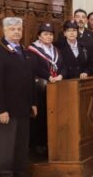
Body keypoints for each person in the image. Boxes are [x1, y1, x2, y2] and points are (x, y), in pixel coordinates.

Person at [0, 17, 37, 177]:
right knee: (6, 146)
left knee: (21, 145)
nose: (16, 31)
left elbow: (30, 80)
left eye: (19, 29)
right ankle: (5, 174)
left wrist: (33, 103)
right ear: (4, 31)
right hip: (7, 109)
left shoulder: (25, 51)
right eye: (12, 29)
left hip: (24, 107)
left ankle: (19, 172)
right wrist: (0, 109)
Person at [28, 22, 65, 156]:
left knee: (53, 116)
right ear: (39, 36)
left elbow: (63, 65)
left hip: (56, 86)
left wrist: (61, 75)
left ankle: (50, 143)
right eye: (45, 34)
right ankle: (38, 144)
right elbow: (35, 67)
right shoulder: (32, 49)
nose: (48, 37)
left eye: (50, 34)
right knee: (40, 116)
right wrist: (49, 76)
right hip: (40, 88)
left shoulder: (56, 50)